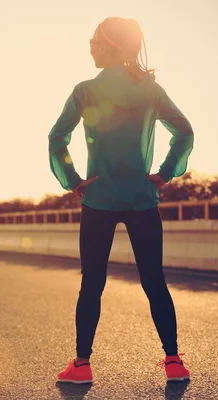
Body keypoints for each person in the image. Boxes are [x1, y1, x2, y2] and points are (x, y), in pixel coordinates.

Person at [48, 17, 194, 384]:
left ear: (110, 45)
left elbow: (57, 139)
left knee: (92, 283)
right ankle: (173, 362)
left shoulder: (85, 91)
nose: (90, 45)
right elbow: (185, 132)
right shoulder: (151, 91)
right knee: (154, 281)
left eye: (94, 39)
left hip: (98, 200)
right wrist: (164, 173)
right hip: (143, 199)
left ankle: (81, 367)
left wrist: (73, 181)